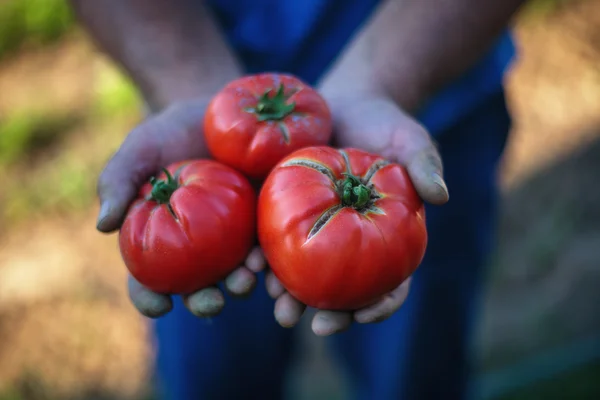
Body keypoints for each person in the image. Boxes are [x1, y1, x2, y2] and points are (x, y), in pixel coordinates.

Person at [69, 0, 526, 399]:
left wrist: (387, 79)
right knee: (213, 381)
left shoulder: (390, 186)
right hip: (196, 124)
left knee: (417, 375)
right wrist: (187, 84)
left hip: (432, 90)